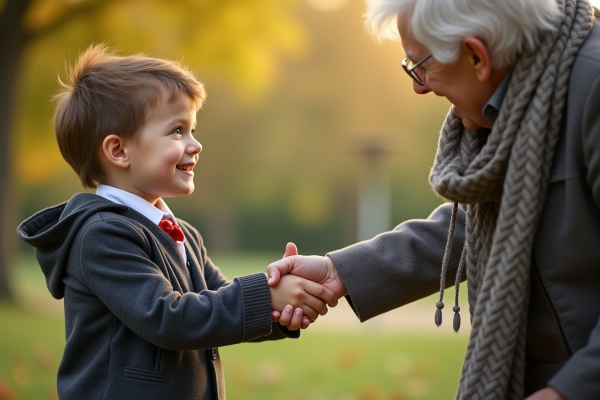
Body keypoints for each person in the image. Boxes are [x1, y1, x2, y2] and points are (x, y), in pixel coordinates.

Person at [267, 0, 600, 399]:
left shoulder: (591, 88)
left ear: (476, 55)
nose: (418, 85)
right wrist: (340, 272)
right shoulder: (521, 93)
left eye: (419, 64)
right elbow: (482, 224)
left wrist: (565, 392)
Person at [16, 44, 337, 400]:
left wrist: (282, 304)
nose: (195, 144)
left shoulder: (184, 235)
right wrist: (266, 295)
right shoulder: (101, 236)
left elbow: (217, 305)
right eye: (177, 131)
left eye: (193, 129)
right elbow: (169, 319)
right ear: (119, 151)